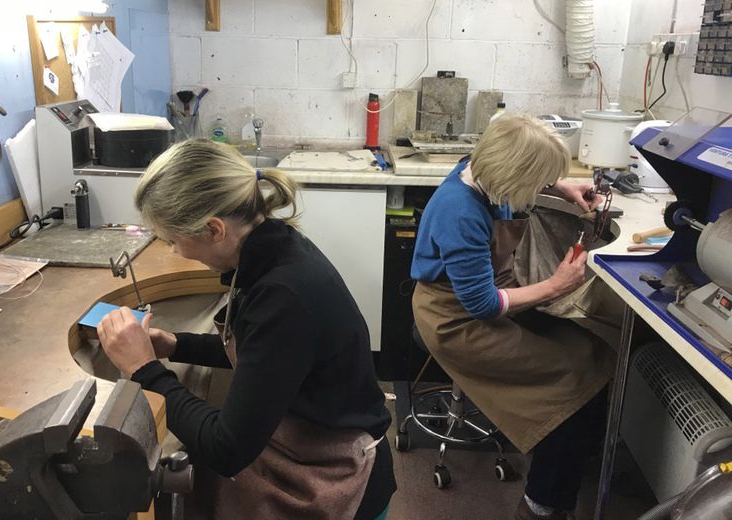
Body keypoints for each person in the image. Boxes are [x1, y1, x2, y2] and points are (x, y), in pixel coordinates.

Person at [97, 139, 395, 520]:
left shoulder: (283, 295)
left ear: (213, 229)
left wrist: (144, 371)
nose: (174, 251)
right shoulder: (274, 248)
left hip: (339, 474)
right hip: (307, 439)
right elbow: (265, 356)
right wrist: (175, 345)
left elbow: (227, 449)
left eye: (173, 240)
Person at [410, 114, 615, 520]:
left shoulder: (485, 169)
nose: (536, 189)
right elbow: (482, 305)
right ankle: (542, 506)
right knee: (573, 385)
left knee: (591, 346)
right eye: (536, 179)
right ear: (512, 174)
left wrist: (561, 183)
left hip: (489, 293)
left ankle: (563, 462)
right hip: (455, 319)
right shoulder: (460, 211)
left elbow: (509, 154)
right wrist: (556, 286)